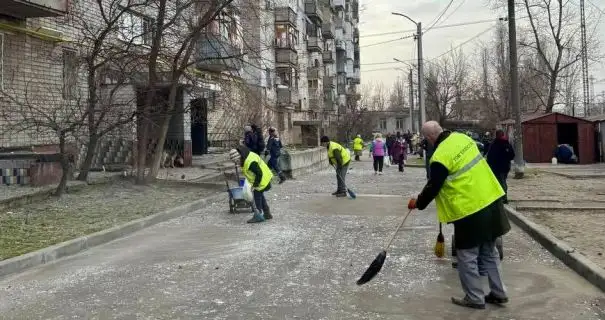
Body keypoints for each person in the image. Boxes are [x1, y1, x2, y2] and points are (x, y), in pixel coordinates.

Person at [407, 121, 511, 310]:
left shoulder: (440, 156)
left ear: (430, 138)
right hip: (491, 199)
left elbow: (433, 186)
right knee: (489, 251)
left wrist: (418, 202)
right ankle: (499, 292)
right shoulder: (463, 138)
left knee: (467, 255)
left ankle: (475, 298)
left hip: (469, 209)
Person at [229, 145, 274, 223]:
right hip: (263, 178)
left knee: (257, 197)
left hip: (262, 179)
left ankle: (258, 215)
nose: (237, 163)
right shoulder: (247, 156)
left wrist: (255, 185)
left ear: (239, 157)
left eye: (237, 161)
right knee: (260, 196)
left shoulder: (250, 162)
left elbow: (259, 173)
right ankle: (267, 214)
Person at [486, 129, 515, 203]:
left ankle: (502, 198)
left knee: (500, 182)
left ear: (496, 135)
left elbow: (490, 156)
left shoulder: (494, 144)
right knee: (503, 181)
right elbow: (512, 156)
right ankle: (503, 197)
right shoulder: (507, 143)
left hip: (496, 167)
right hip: (505, 167)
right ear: (503, 135)